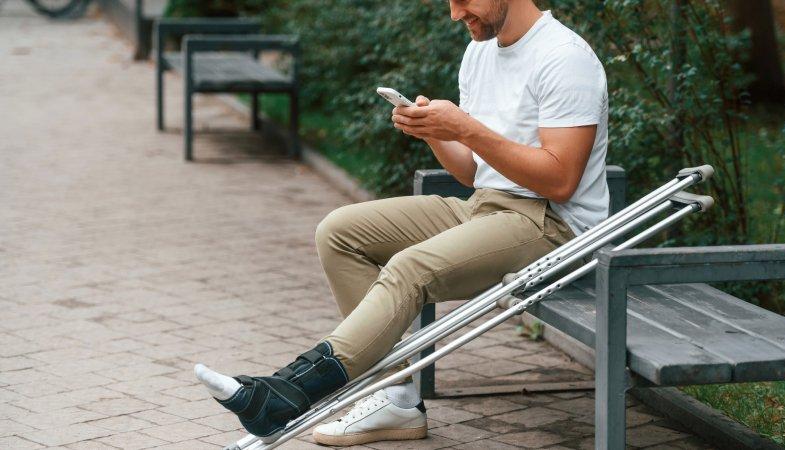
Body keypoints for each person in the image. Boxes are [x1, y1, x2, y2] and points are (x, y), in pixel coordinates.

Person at [194, 0, 609, 446]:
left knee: (410, 268)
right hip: (488, 205)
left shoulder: (564, 58)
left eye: (463, 0)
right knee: (340, 232)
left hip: (552, 226)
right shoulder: (480, 52)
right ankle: (394, 396)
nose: (455, 13)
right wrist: (434, 131)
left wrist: (465, 128)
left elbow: (561, 180)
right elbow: (472, 173)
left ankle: (287, 391)